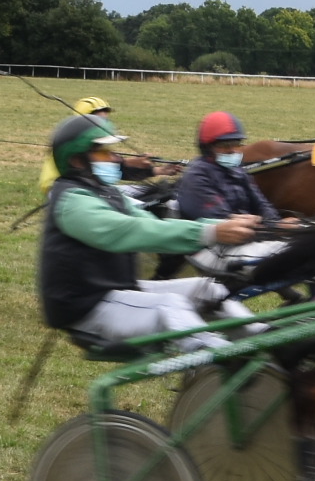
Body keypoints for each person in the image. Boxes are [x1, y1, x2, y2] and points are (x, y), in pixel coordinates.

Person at [38, 113, 263, 347]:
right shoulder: (72, 201)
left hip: (119, 291)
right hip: (87, 306)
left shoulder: (107, 192)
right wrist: (210, 233)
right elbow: (131, 230)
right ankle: (225, 357)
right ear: (77, 161)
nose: (116, 158)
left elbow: (154, 224)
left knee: (207, 289)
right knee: (169, 306)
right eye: (104, 152)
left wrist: (217, 225)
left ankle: (263, 338)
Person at [173, 109, 279, 223]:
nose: (232, 150)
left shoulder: (238, 170)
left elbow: (261, 204)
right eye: (225, 145)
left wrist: (277, 223)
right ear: (208, 148)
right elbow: (220, 219)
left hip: (246, 228)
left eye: (236, 144)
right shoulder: (197, 176)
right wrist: (262, 222)